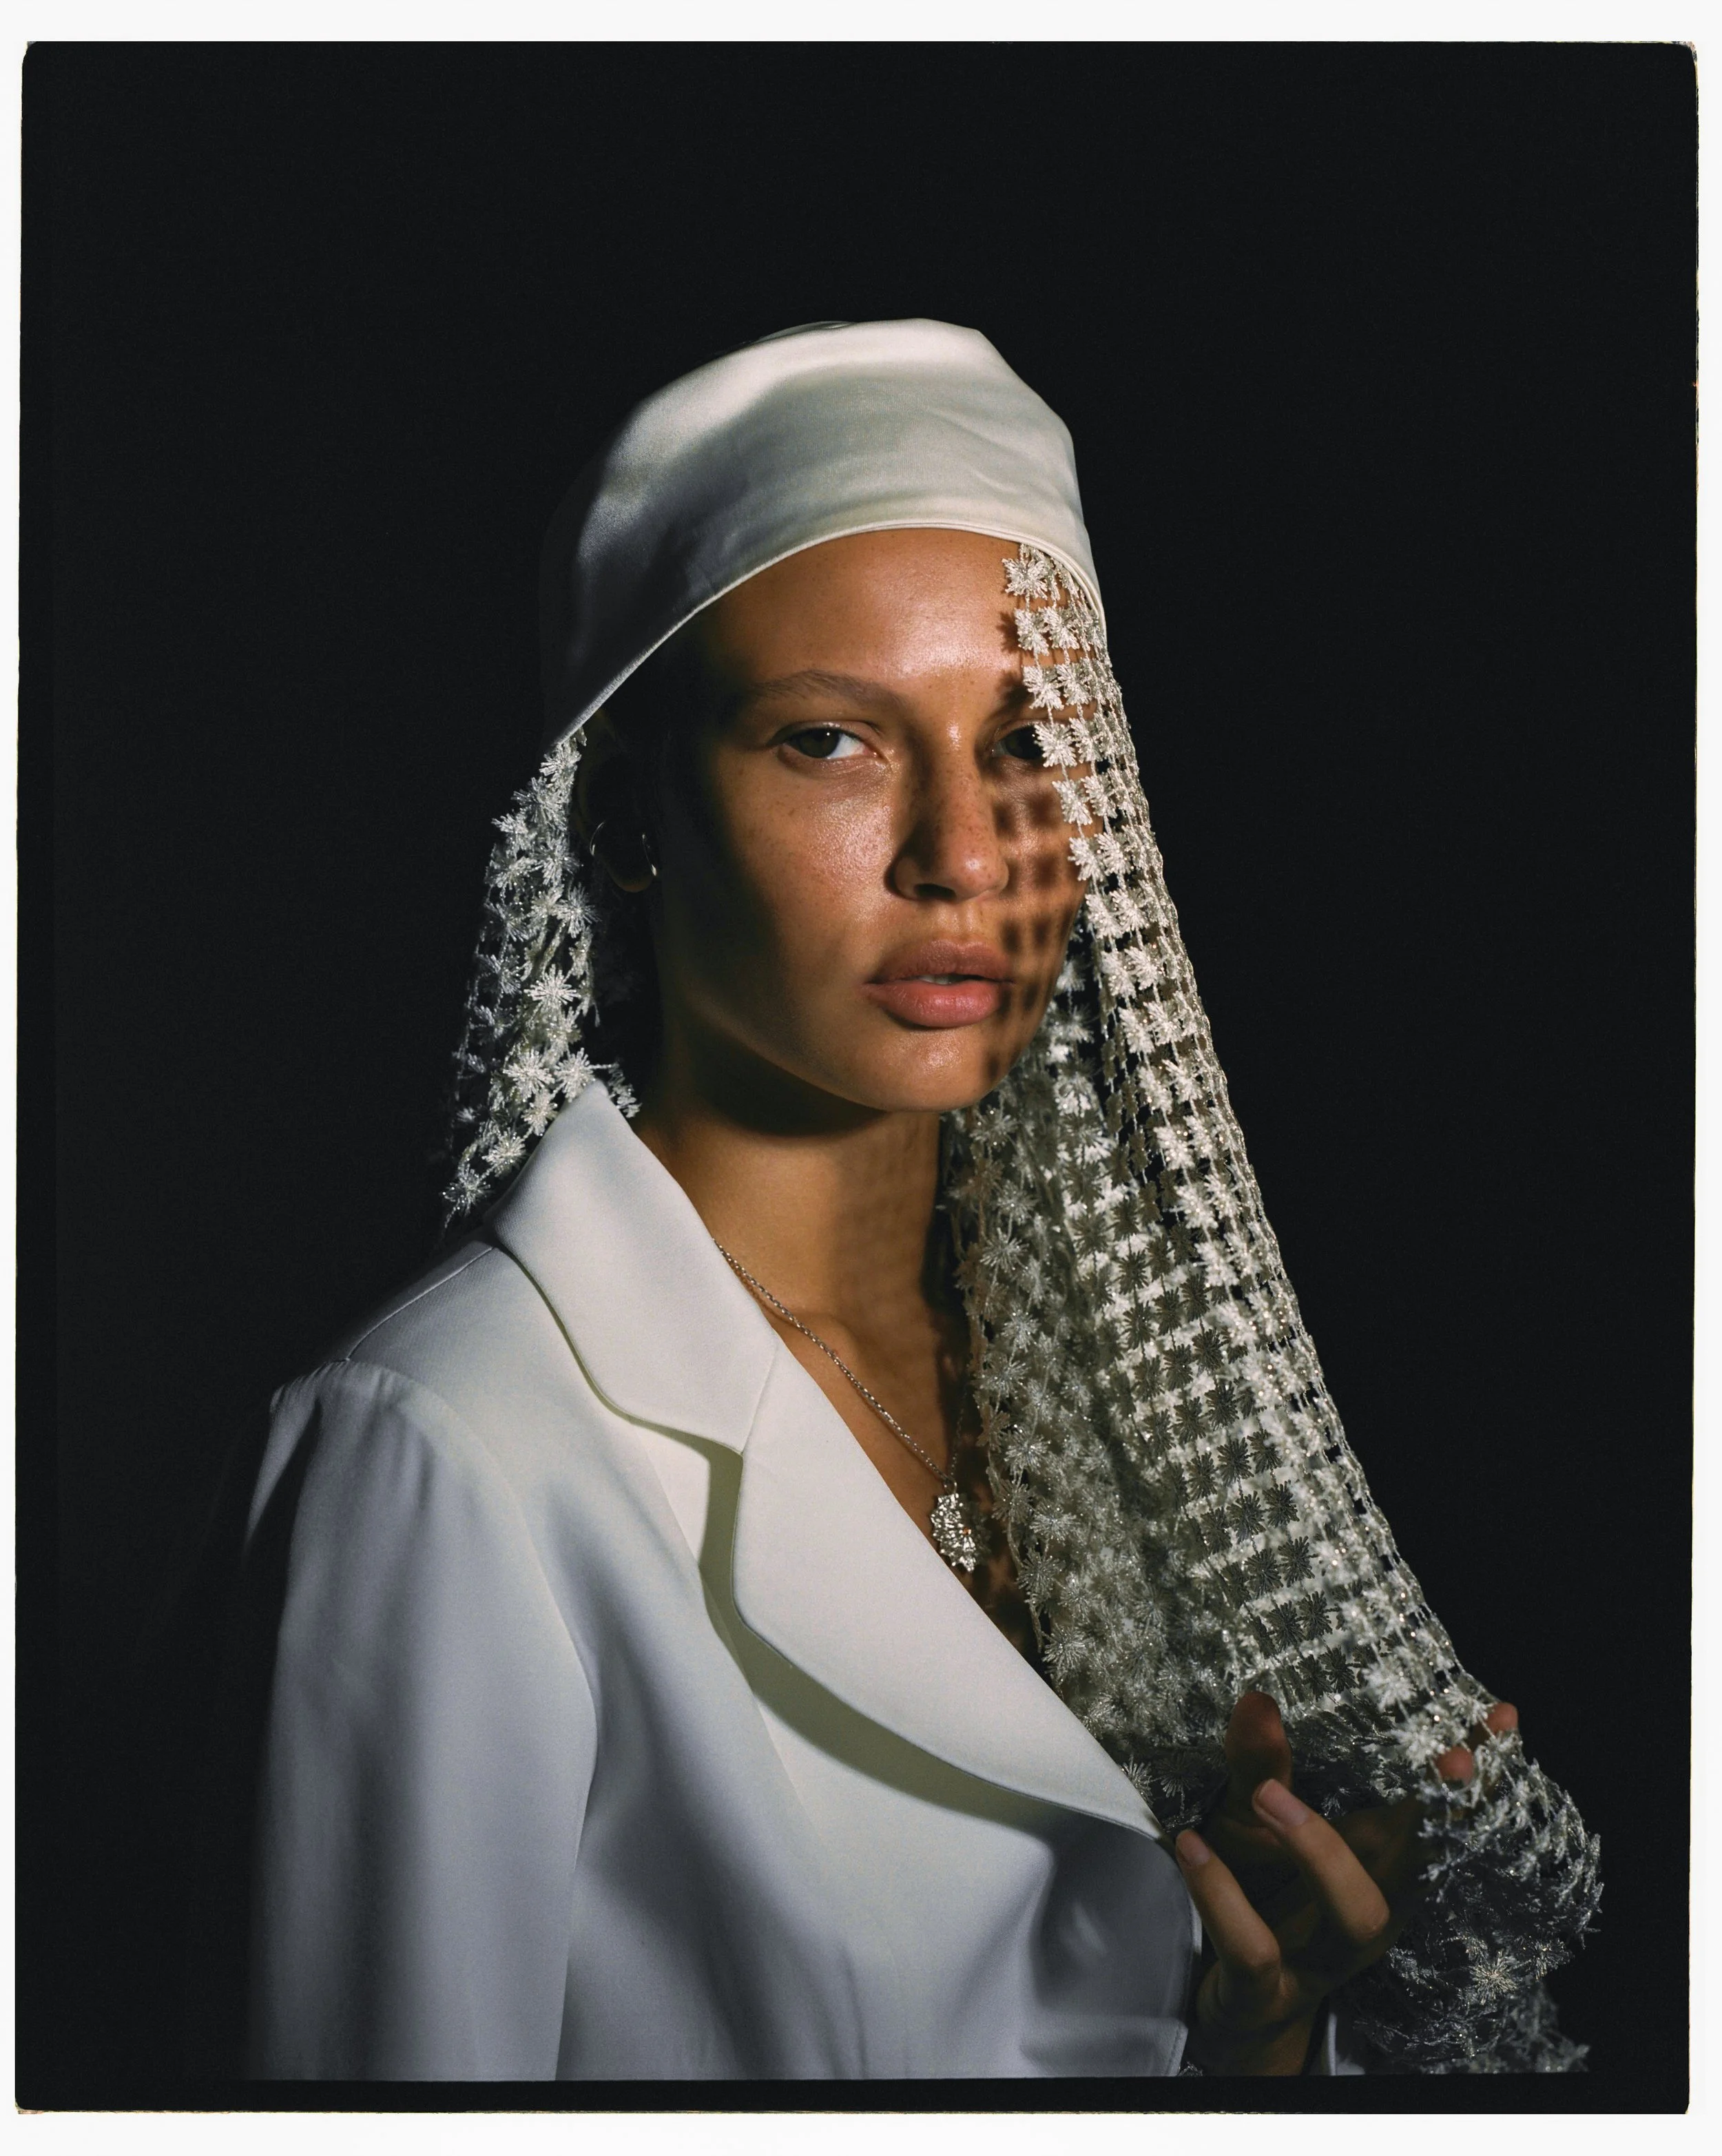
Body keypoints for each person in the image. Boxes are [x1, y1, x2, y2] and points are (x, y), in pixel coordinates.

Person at [193, 320, 1597, 2080]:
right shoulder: (445, 1449)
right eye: (827, 743)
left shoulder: (1077, 1408)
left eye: (1024, 740)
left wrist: (1253, 2038)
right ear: (629, 818)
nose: (959, 846)